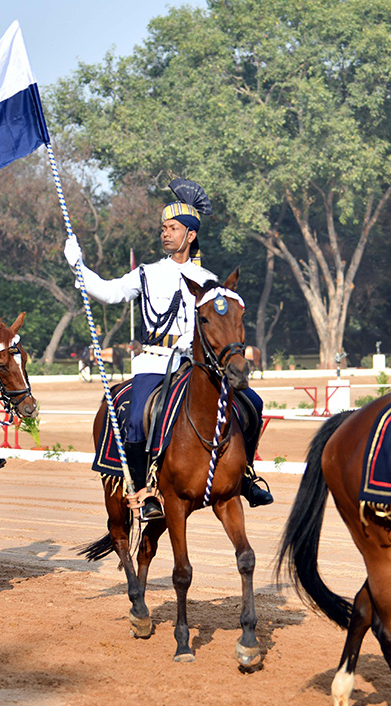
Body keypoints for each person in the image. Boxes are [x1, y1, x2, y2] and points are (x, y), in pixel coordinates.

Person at [63, 178, 274, 520]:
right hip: (152, 363)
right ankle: (142, 490)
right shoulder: (145, 273)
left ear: (190, 235)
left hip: (195, 365)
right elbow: (108, 292)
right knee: (135, 418)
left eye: (173, 228)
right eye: (163, 228)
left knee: (254, 402)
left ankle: (245, 475)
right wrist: (78, 265)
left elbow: (224, 316)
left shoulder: (206, 278)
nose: (165, 234)